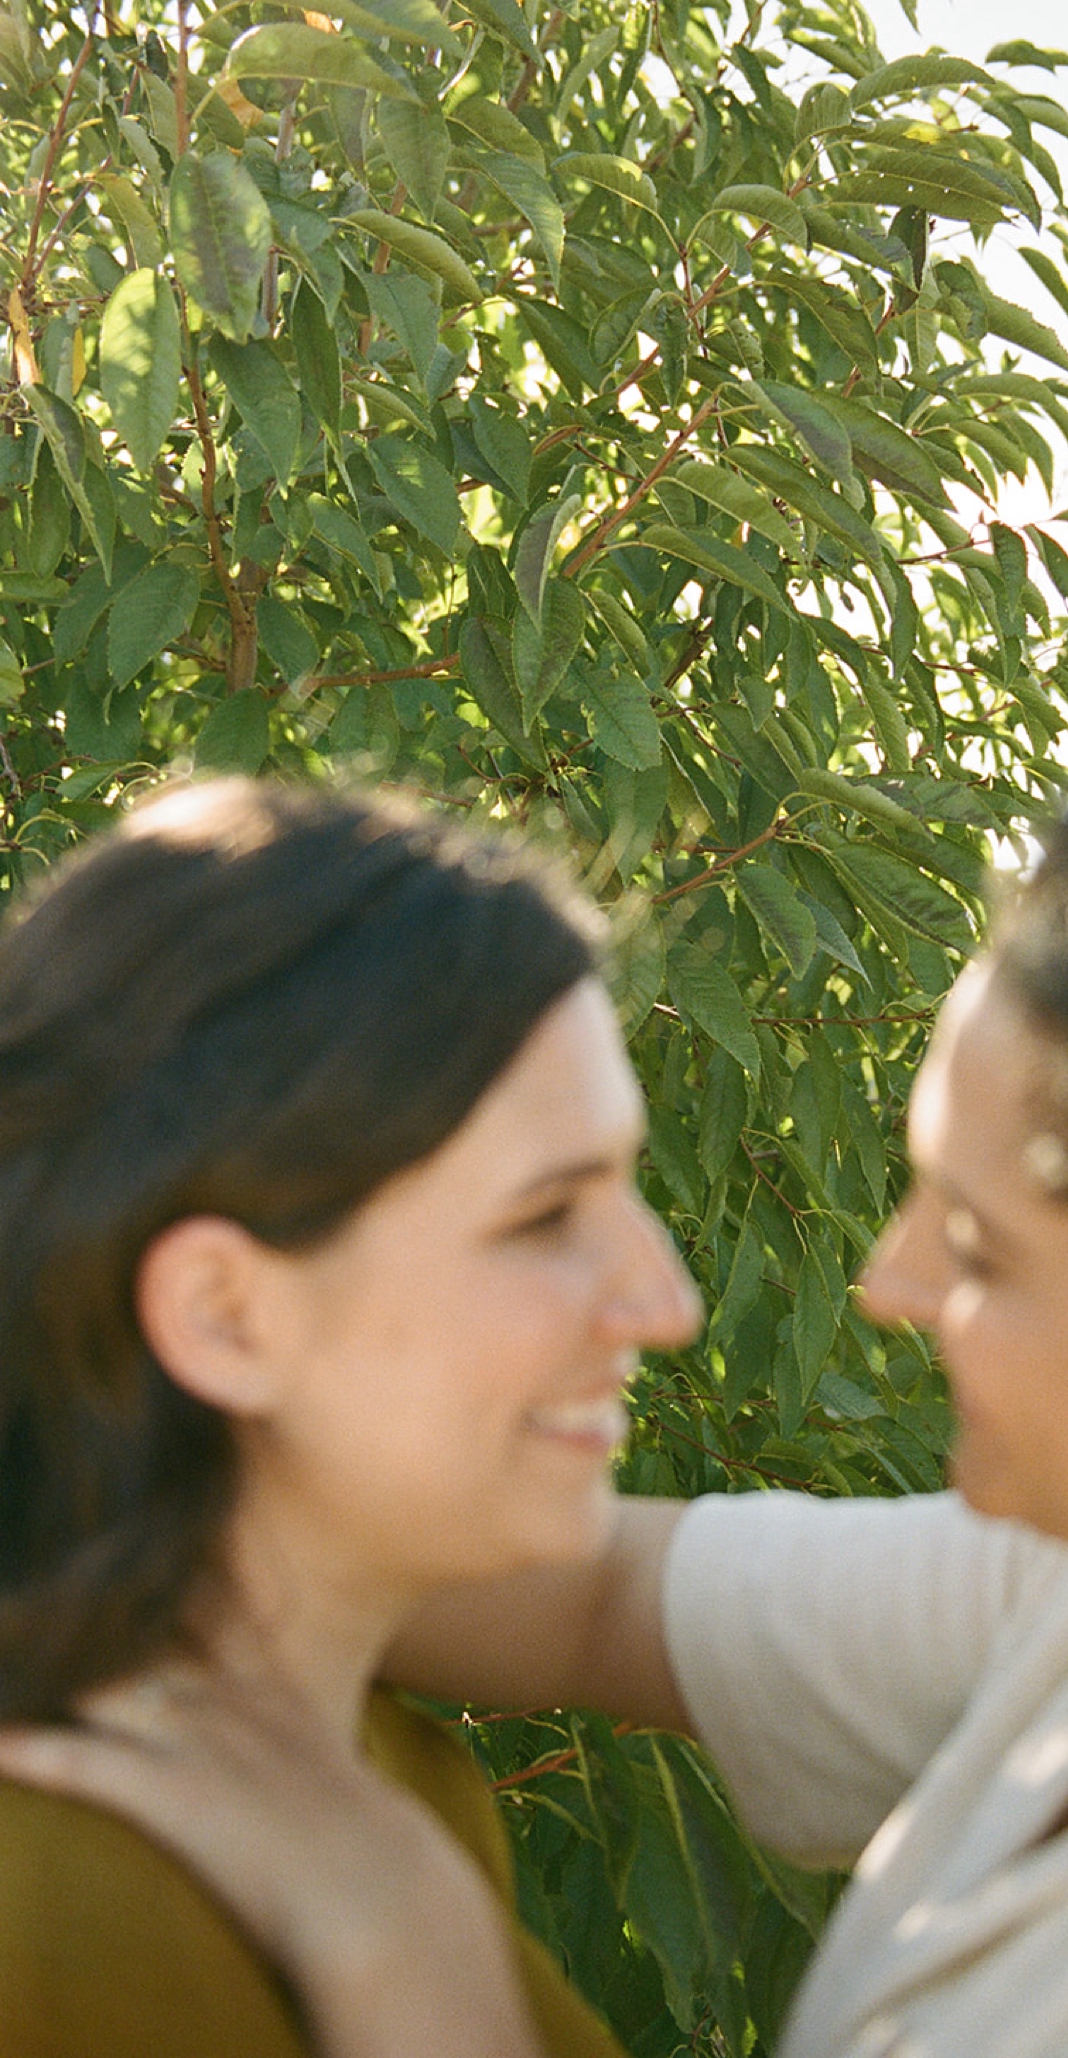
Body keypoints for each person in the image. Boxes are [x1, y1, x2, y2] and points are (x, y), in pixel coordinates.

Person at [7, 736, 1068, 2054]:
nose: (886, 1285)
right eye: (544, 1213)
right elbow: (601, 1591)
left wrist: (401, 1936)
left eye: (978, 1245)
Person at [0, 778, 700, 2058]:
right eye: (545, 1216)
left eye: (628, 1184)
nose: (667, 1302)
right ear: (226, 1313)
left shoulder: (385, 1778)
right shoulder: (58, 1918)